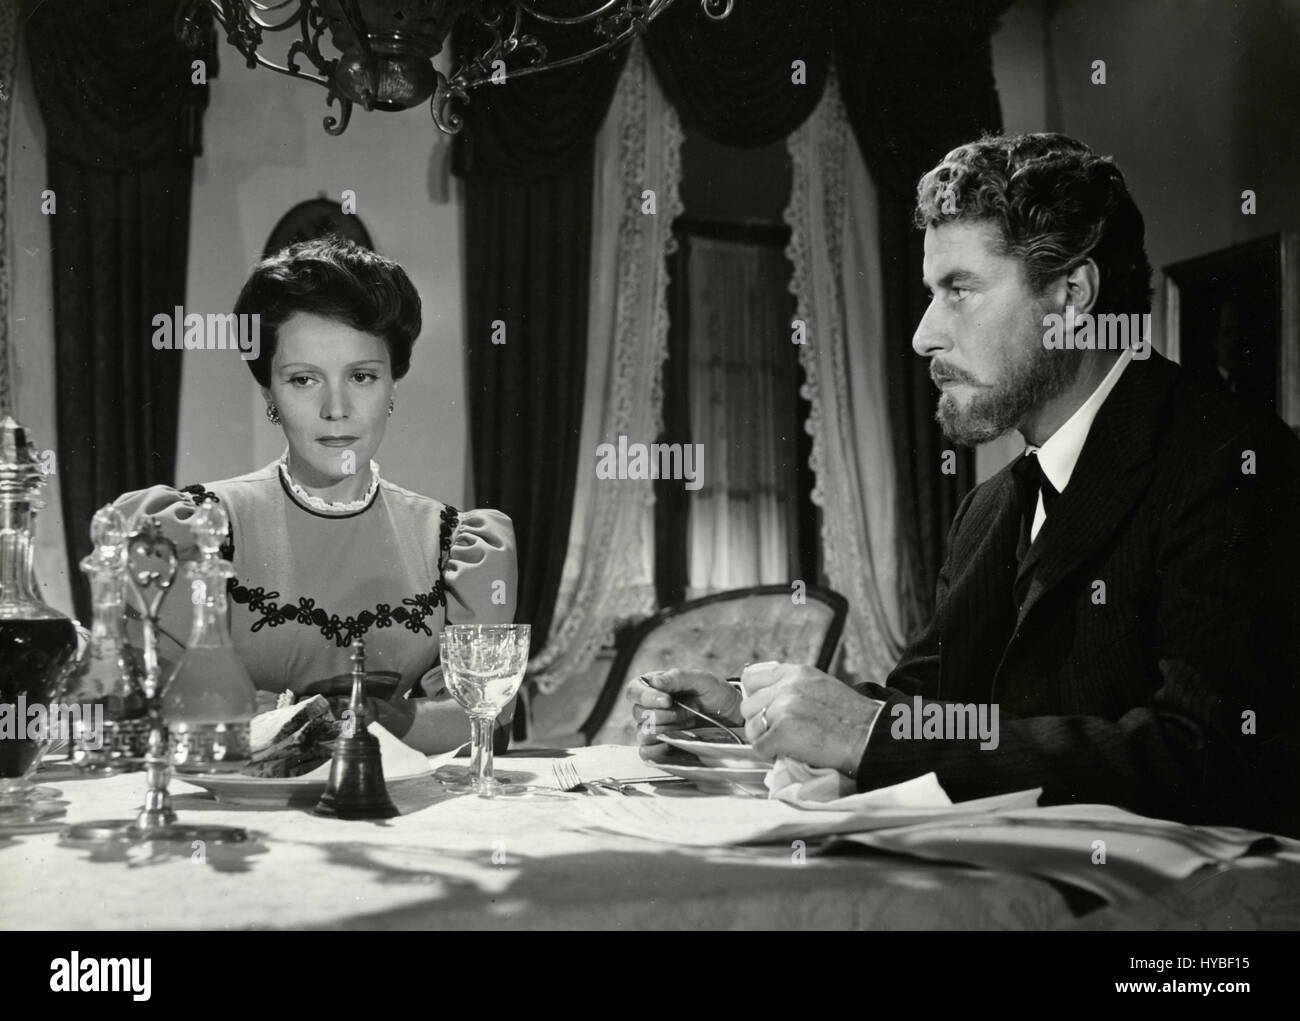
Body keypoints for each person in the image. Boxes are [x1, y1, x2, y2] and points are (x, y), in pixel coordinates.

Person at [627, 133, 1300, 837]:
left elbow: (1206, 753)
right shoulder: (990, 509)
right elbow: (925, 711)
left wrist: (869, 736)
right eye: (930, 293)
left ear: (1071, 295)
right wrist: (748, 715)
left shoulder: (1231, 461)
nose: (922, 336)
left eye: (960, 290)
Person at [116, 237, 517, 754]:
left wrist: (372, 718)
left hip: (395, 815)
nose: (336, 408)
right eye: (304, 379)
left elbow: (483, 724)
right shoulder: (195, 528)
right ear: (269, 393)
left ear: (394, 383)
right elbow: (147, 715)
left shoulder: (458, 542)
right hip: (241, 817)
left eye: (362, 376)